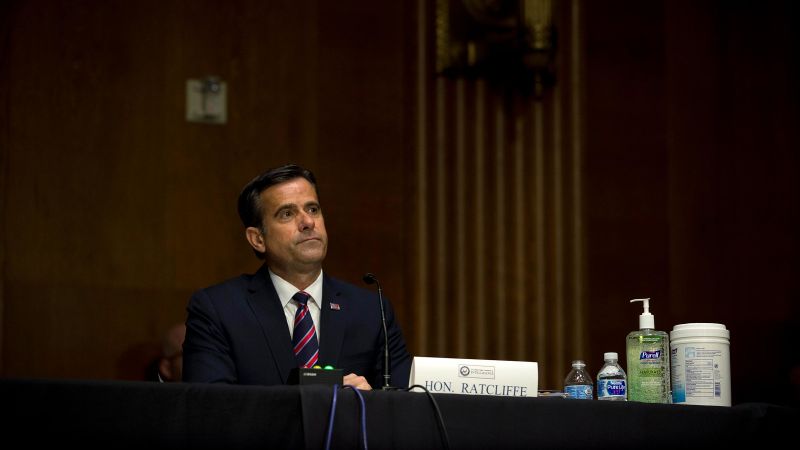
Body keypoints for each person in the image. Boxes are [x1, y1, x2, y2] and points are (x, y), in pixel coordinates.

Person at [182, 163, 412, 389]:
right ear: (258, 239)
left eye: (313, 209)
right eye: (287, 214)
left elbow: (405, 402)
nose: (308, 222)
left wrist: (366, 402)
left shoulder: (372, 311)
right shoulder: (218, 309)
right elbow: (209, 404)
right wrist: (324, 399)